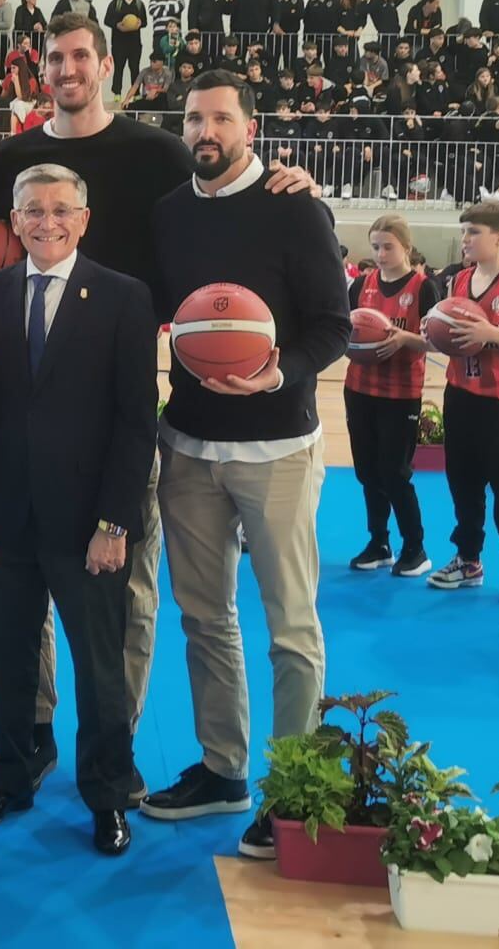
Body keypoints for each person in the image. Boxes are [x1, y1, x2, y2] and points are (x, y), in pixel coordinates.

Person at [0, 13, 317, 772]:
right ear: (39, 70)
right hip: (24, 405)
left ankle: (117, 735)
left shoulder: (158, 152)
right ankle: (39, 729)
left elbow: (223, 183)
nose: (67, 68)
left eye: (81, 55)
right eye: (54, 57)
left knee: (128, 587)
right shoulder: (13, 154)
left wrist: (287, 179)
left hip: (119, 408)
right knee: (27, 595)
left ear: (106, 64)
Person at [138, 70, 351, 862]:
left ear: (251, 129)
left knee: (291, 627)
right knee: (203, 617)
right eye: (195, 118)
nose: (206, 131)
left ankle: (288, 791)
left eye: (221, 118)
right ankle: (225, 769)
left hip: (278, 451)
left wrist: (278, 371)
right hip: (189, 445)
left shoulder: (297, 207)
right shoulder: (169, 214)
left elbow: (332, 327)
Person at [0, 165, 157, 855]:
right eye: (33, 211)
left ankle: (108, 793)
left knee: (101, 668)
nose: (47, 222)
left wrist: (115, 523)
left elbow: (136, 423)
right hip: (5, 517)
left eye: (60, 210)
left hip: (88, 523)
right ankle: (10, 774)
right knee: (6, 657)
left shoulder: (126, 299)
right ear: (14, 222)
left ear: (84, 218)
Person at [427, 201, 499, 598]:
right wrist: (436, 331)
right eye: (463, 232)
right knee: (463, 482)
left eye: (473, 232)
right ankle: (468, 559)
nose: (465, 240)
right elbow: (455, 337)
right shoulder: (458, 281)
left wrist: (489, 333)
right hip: (461, 393)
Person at [345, 214, 439, 578]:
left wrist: (405, 340)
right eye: (376, 247)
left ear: (406, 248)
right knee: (367, 471)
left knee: (395, 473)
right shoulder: (362, 285)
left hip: (400, 394)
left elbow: (436, 340)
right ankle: (379, 543)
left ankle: (415, 547)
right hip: (359, 388)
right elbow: (345, 330)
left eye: (388, 247)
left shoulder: (423, 287)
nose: (381, 254)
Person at [103, 0, 149, 98]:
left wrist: (139, 23)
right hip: (119, 43)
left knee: (135, 68)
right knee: (118, 68)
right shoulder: (116, 2)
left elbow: (145, 22)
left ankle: (135, 95)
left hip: (134, 43)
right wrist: (117, 25)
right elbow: (107, 20)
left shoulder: (139, 3)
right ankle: (117, 94)